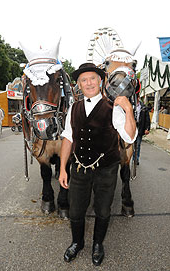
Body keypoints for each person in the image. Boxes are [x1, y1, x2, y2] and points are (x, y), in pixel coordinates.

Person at [59, 63, 137, 266]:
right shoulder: (74, 108)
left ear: (100, 80)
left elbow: (129, 135)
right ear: (79, 85)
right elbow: (68, 138)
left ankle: (97, 245)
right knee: (75, 210)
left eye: (92, 78)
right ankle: (77, 243)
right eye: (84, 80)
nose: (89, 83)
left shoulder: (113, 107)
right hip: (78, 168)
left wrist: (128, 109)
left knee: (103, 209)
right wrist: (61, 170)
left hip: (106, 170)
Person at [134, 94, 150, 165]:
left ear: (138, 98)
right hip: (132, 128)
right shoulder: (131, 105)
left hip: (140, 128)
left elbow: (147, 119)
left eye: (136, 97)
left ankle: (136, 159)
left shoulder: (144, 107)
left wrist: (147, 128)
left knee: (138, 145)